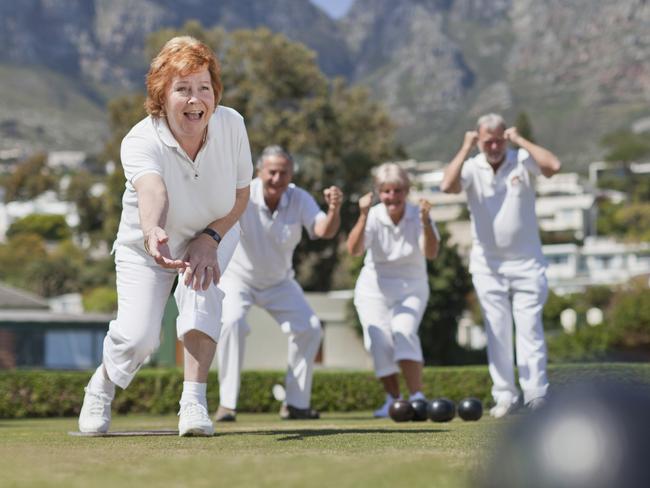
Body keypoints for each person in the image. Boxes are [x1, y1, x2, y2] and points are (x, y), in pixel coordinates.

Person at [77, 36, 253, 436]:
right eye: (183, 89)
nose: (196, 100)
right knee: (139, 338)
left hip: (214, 231)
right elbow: (151, 189)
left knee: (201, 297)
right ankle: (101, 386)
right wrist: (154, 228)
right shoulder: (140, 139)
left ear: (215, 92)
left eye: (204, 88)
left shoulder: (232, 125)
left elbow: (242, 194)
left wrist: (210, 238)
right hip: (149, 243)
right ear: (161, 95)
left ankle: (193, 404)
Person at [440, 113, 561, 418]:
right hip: (487, 266)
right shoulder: (471, 167)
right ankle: (505, 396)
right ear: (479, 140)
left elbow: (552, 166)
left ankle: (536, 394)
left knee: (529, 329)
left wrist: (519, 140)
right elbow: (447, 186)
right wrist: (465, 147)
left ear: (504, 138)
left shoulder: (521, 159)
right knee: (496, 331)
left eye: (498, 140)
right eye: (487, 141)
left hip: (527, 263)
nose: (493, 146)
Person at [214, 145, 343, 421]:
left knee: (309, 329)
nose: (277, 178)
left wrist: (334, 209)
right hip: (239, 278)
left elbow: (323, 231)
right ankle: (227, 404)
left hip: (280, 282)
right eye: (272, 172)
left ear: (291, 174)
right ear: (260, 172)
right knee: (231, 323)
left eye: (283, 173)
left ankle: (296, 404)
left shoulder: (299, 198)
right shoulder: (243, 194)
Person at [347, 163, 440, 418]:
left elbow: (431, 253)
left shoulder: (419, 214)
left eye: (398, 191)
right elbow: (354, 250)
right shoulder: (373, 216)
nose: (392, 197)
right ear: (379, 192)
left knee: (404, 331)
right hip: (373, 289)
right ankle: (393, 399)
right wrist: (363, 216)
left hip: (411, 288)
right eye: (386, 191)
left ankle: (417, 396)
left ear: (407, 191)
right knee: (379, 341)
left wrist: (425, 222)